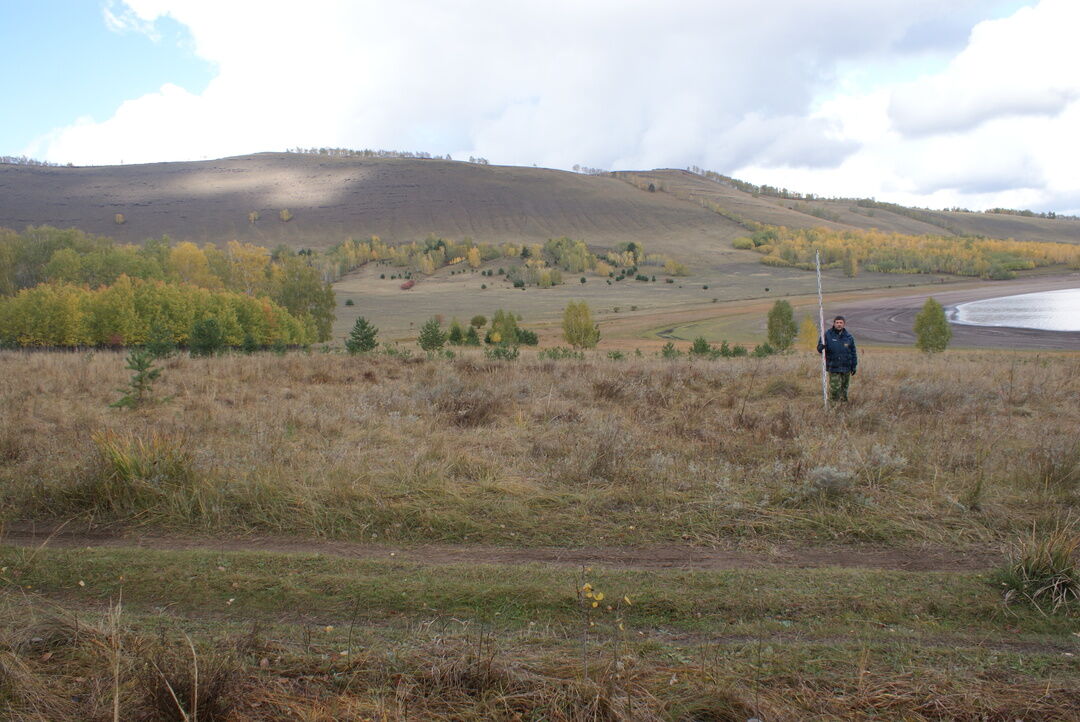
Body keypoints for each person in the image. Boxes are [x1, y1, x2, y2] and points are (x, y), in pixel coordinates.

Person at [817, 315, 857, 402]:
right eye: (837, 322)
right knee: (835, 390)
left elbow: (853, 352)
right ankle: (833, 407)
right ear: (834, 324)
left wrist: (854, 366)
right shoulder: (827, 335)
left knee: (844, 389)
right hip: (833, 366)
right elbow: (819, 349)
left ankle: (843, 407)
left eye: (841, 323)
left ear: (844, 324)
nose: (839, 324)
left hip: (846, 367)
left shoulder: (849, 337)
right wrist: (821, 347)